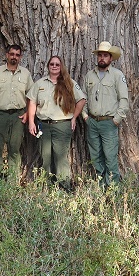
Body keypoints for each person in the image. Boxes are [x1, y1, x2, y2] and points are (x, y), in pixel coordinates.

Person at [26, 55, 86, 191]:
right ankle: (47, 188)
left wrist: (74, 117)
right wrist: (31, 122)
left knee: (60, 158)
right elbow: (32, 102)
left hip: (62, 126)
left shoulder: (69, 82)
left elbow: (81, 100)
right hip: (43, 126)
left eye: (57, 64)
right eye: (52, 64)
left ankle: (65, 187)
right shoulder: (40, 83)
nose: (54, 66)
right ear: (48, 66)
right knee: (45, 157)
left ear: (61, 67)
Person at [0, 44, 33, 183]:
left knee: (14, 148)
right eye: (12, 54)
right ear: (7, 55)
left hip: (18, 116)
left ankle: (12, 181)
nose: (14, 57)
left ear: (20, 57)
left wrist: (28, 113)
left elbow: (31, 97)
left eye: (17, 55)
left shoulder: (26, 74)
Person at [81, 41, 129, 188]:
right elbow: (83, 97)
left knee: (110, 157)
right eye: (100, 55)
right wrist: (85, 116)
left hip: (109, 123)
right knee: (96, 157)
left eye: (105, 56)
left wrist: (117, 119)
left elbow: (124, 99)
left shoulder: (117, 75)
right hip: (92, 122)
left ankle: (113, 189)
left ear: (111, 58)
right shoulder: (90, 75)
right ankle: (101, 187)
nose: (102, 58)